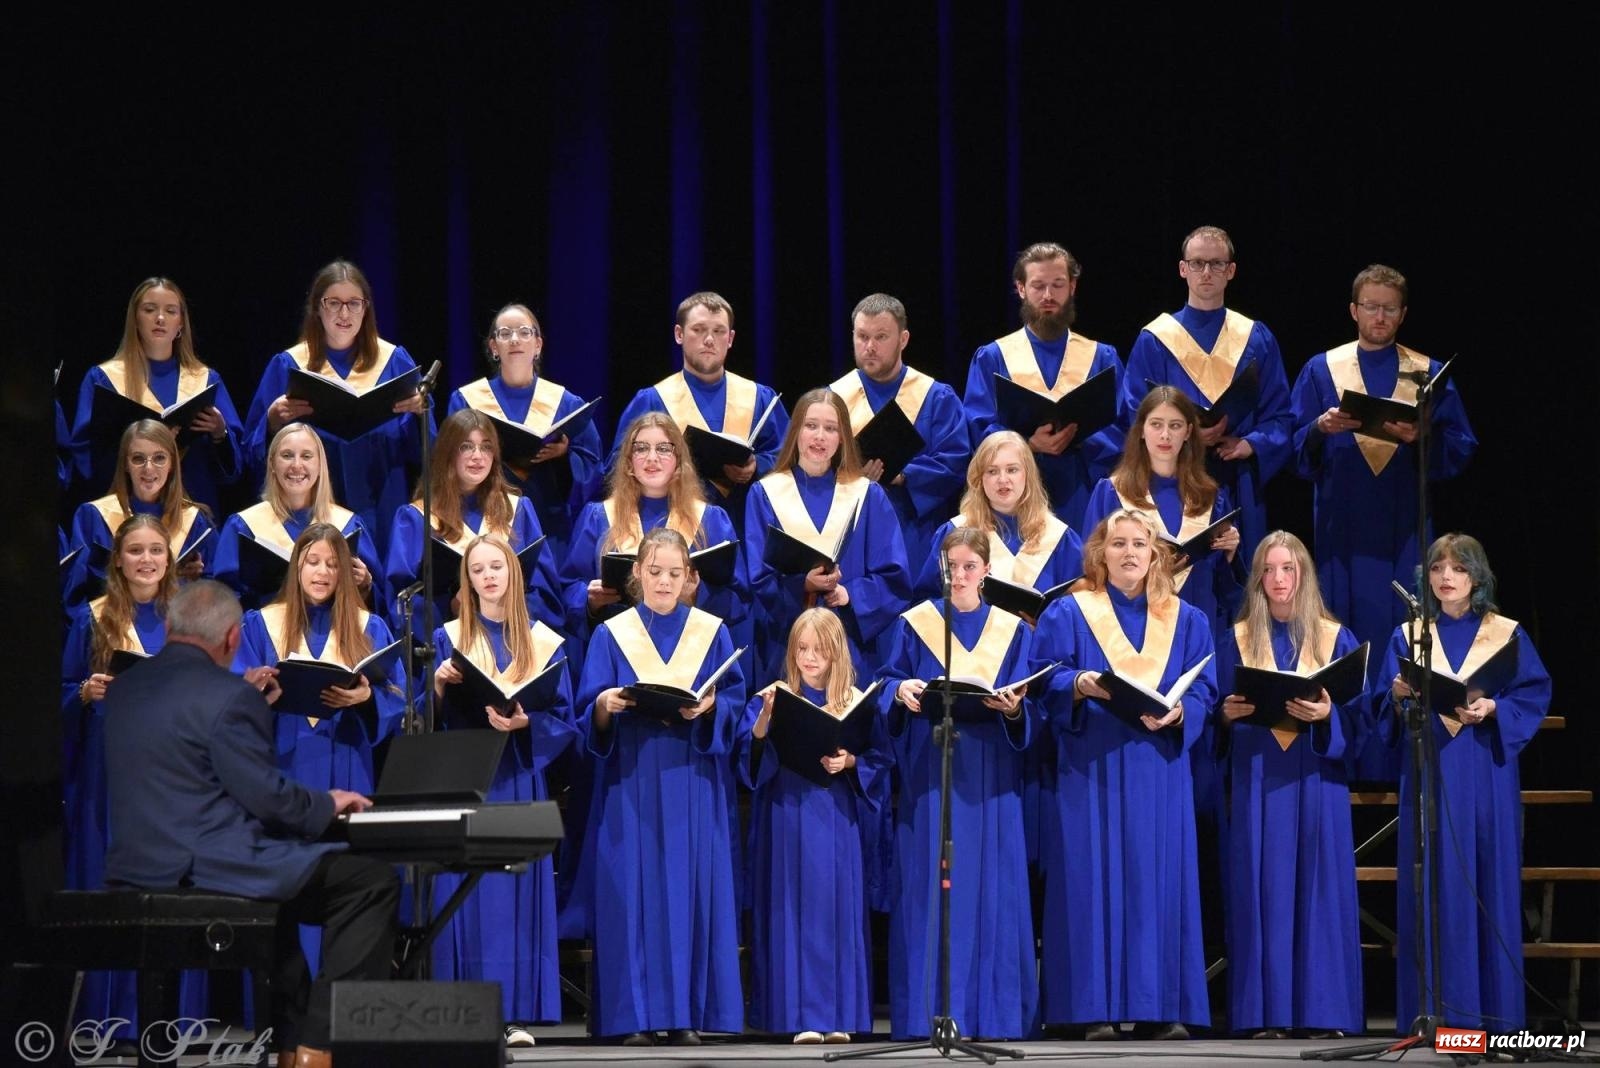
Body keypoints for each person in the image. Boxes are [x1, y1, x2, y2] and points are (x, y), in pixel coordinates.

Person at [103, 579, 398, 1068]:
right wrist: (327, 803)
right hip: (207, 867)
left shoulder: (125, 690)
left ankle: (289, 1040)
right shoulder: (227, 695)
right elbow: (269, 799)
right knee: (369, 881)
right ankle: (316, 1047)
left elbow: (182, 770)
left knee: (279, 903)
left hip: (137, 866)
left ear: (171, 625)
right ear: (233, 638)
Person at [1031, 508, 1216, 1040]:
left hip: (1159, 768)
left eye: (1140, 544)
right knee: (1088, 879)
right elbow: (1046, 681)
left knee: (1156, 882)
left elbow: (1205, 687)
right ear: (1100, 553)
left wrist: (1186, 713)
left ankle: (1158, 1009)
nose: (1130, 553)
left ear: (1155, 553)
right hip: (1090, 763)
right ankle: (1088, 1008)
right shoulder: (1069, 613)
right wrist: (1079, 684)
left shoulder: (1187, 618)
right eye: (1119, 544)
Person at [1290, 264, 1476, 780]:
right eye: (1369, 306)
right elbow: (1293, 448)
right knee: (1345, 635)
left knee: (1402, 630)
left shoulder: (1426, 372)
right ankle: (1344, 754)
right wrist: (1320, 428)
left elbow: (1461, 448)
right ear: (1353, 310)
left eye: (1389, 308)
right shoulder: (1322, 369)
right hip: (1341, 534)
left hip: (1404, 530)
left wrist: (1423, 439)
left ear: (1403, 314)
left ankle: (1399, 759)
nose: (1379, 316)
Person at [571, 528, 745, 1046]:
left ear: (690, 579)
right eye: (654, 571)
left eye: (674, 573)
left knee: (689, 890)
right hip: (632, 778)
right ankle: (632, 1017)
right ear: (637, 576)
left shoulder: (711, 633)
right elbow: (589, 709)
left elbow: (735, 704)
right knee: (631, 892)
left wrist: (714, 708)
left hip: (693, 776)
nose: (664, 581)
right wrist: (605, 706)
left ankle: (686, 1013)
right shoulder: (612, 633)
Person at [1377, 534, 1550, 1033]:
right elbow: (1387, 711)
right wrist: (1397, 692)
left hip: (1485, 772)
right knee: (1433, 883)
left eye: (1457, 568)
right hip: (1430, 768)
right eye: (1437, 568)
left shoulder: (1505, 633)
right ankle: (1437, 1014)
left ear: (1477, 576)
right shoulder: (1410, 635)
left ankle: (1494, 1015)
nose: (1446, 577)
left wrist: (1495, 707)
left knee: (1486, 879)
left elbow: (1533, 693)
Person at [878, 528, 1037, 1040]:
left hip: (992, 775)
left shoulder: (1012, 632)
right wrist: (899, 689)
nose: (961, 576)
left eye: (970, 566)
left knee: (995, 888)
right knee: (930, 891)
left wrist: (1015, 711)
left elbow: (1030, 706)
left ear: (987, 570)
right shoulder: (916, 624)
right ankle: (929, 1014)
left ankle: (993, 1015)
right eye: (952, 567)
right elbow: (885, 683)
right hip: (933, 772)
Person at [1215, 531, 1364, 1037]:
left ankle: (1324, 1013)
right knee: (1262, 889)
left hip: (1317, 777)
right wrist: (1227, 715)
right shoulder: (1237, 638)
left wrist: (1328, 714)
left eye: (1288, 569)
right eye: (1270, 570)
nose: (1279, 580)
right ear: (1257, 577)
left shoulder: (1334, 637)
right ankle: (1265, 1014)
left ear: (1303, 575)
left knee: (1319, 887)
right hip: (1258, 774)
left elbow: (1362, 719)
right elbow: (1216, 709)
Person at [430, 536, 578, 1046]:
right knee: (468, 896)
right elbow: (419, 725)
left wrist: (525, 721)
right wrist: (440, 686)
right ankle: (463, 1011)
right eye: (478, 569)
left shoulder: (542, 641)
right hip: (465, 780)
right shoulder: (448, 637)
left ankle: (513, 1012)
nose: (489, 576)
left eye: (497, 566)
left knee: (513, 893)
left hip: (517, 774)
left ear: (514, 574)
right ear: (466, 581)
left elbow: (566, 719)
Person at [739, 608, 887, 1044]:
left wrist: (851, 761)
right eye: (801, 649)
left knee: (834, 910)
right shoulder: (775, 695)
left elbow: (879, 761)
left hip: (836, 815)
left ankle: (839, 1013)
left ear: (835, 651)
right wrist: (765, 718)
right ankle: (797, 1013)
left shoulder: (853, 701)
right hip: (786, 812)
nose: (808, 657)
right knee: (792, 909)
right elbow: (750, 753)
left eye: (818, 649)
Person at [59, 515, 181, 1038]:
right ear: (119, 559)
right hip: (109, 771)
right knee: (108, 885)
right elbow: (61, 690)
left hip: (170, 775)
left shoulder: (186, 617)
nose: (147, 560)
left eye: (156, 549)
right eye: (136, 551)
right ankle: (101, 1018)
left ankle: (158, 1021)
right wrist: (85, 692)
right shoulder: (93, 618)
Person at [1121, 227, 1293, 562]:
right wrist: (1184, 433)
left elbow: (1281, 415)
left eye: (1216, 264)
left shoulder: (1255, 338)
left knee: (1239, 576)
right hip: (1172, 478)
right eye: (1197, 263)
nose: (1206, 272)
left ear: (1231, 271)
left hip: (1237, 477)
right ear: (1182, 269)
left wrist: (1251, 443)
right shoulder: (1156, 339)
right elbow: (1134, 412)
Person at [243, 259, 430, 561]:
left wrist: (421, 412)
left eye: (354, 303)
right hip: (312, 497)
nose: (344, 313)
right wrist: (271, 421)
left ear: (366, 308)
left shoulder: (395, 362)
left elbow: (425, 451)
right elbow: (252, 451)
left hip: (381, 494)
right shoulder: (289, 364)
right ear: (317, 307)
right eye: (333, 303)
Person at [743, 388, 911, 685]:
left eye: (830, 428)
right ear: (795, 431)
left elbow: (894, 578)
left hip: (851, 647)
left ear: (843, 437)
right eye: (811, 426)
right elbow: (759, 579)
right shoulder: (765, 494)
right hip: (788, 648)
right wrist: (802, 586)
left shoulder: (867, 495)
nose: (820, 436)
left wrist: (850, 594)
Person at [961, 242, 1125, 529]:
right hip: (1014, 496)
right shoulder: (993, 357)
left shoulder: (1102, 357)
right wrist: (1027, 443)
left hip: (1083, 492)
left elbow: (1124, 427)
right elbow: (977, 427)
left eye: (1057, 285)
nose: (1048, 295)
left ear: (1072, 287)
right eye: (1038, 286)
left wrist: (1078, 436)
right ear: (1021, 289)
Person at [609, 291, 788, 534]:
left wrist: (756, 465)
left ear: (731, 338)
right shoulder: (652, 400)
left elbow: (789, 456)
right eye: (699, 329)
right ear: (679, 334)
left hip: (749, 527)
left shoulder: (760, 398)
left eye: (718, 331)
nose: (709, 340)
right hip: (672, 531)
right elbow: (617, 467)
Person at [67, 277, 246, 517]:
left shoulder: (205, 380)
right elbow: (85, 455)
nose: (160, 318)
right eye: (150, 310)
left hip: (191, 511)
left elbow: (231, 469)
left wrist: (219, 433)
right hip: (126, 511)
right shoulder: (104, 379)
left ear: (181, 323)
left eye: (170, 311)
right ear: (135, 319)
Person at [445, 303, 605, 560]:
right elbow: (449, 461)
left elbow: (593, 468)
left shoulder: (565, 403)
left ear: (538, 345)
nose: (515, 339)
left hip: (549, 526)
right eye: (505, 333)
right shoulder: (467, 401)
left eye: (524, 332)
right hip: (484, 522)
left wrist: (565, 456)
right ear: (493, 347)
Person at [384, 408, 563, 636]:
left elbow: (545, 591)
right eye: (466, 446)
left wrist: (509, 611)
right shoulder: (416, 518)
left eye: (486, 447)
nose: (478, 456)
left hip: (514, 641)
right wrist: (449, 609)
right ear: (448, 453)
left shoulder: (517, 510)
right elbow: (401, 600)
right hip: (450, 649)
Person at [829, 293, 969, 563]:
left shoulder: (936, 398)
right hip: (849, 537)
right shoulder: (834, 399)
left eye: (881, 337)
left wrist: (902, 475)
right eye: (862, 336)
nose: (869, 346)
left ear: (903, 339)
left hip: (915, 534)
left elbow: (956, 461)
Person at [212, 422, 382, 610]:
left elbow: (378, 604)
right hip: (266, 635)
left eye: (307, 456)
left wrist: (365, 584)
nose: (296, 465)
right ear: (272, 464)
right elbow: (223, 602)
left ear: (320, 465)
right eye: (287, 456)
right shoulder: (243, 527)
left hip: (334, 634)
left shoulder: (348, 525)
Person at [915, 430, 1083, 604]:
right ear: (979, 479)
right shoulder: (954, 533)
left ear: (1028, 475)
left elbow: (1079, 607)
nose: (1003, 480)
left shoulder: (1059, 539)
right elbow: (928, 604)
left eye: (1012, 470)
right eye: (992, 471)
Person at [66, 418, 215, 602]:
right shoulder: (94, 517)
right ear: (126, 465)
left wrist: (195, 582)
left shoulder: (196, 521)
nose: (149, 468)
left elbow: (215, 594)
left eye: (159, 458)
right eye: (138, 458)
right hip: (113, 625)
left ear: (171, 465)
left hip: (177, 626)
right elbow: (77, 595)